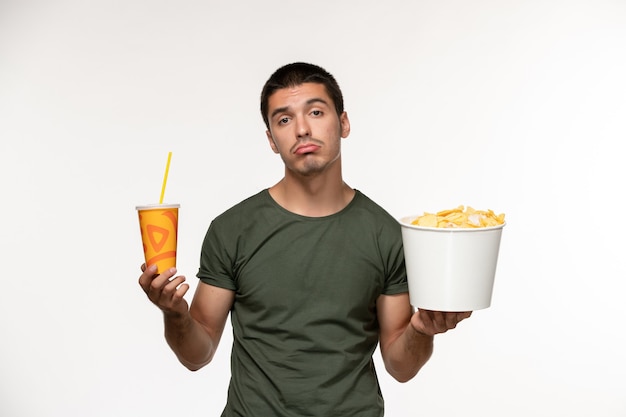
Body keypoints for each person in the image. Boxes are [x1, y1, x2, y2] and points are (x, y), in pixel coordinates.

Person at [138, 62, 471, 416]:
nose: (301, 129)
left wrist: (422, 329)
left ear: (343, 123)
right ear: (271, 139)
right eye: (283, 119)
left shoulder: (385, 234)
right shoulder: (232, 229)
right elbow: (197, 355)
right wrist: (174, 314)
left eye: (315, 112)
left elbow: (400, 367)